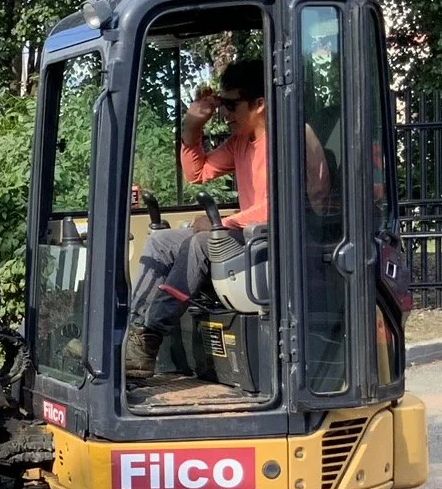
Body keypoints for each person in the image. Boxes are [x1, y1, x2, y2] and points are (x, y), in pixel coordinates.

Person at [125, 59, 327, 381]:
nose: (224, 114)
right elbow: (198, 173)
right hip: (252, 237)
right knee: (161, 240)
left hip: (285, 244)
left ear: (259, 104)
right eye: (221, 105)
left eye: (231, 105)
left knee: (204, 240)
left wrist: (223, 224)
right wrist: (192, 127)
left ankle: (150, 336)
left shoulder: (290, 137)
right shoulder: (240, 142)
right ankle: (132, 334)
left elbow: (282, 207)